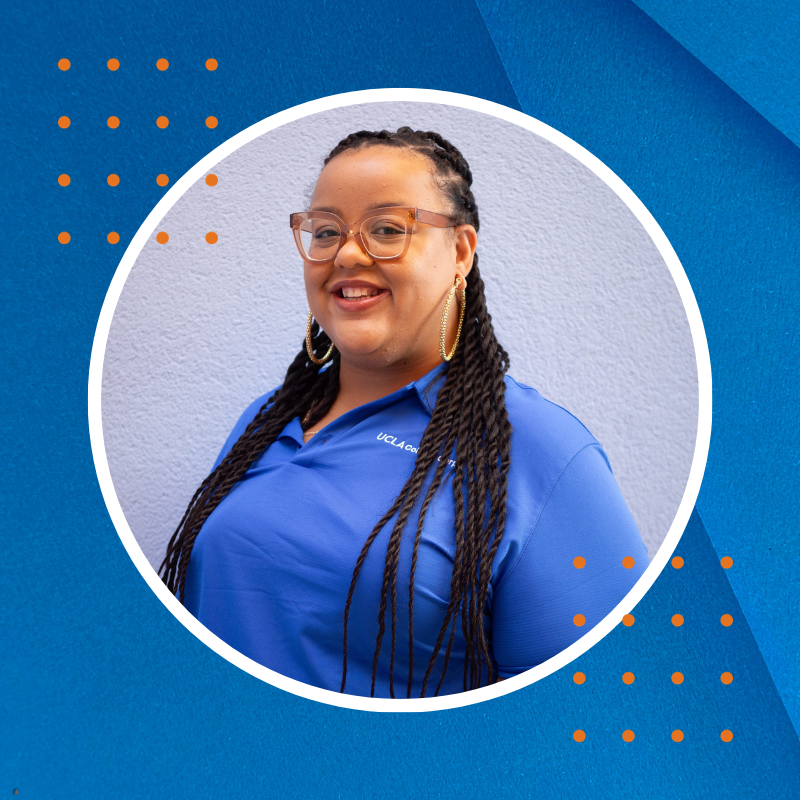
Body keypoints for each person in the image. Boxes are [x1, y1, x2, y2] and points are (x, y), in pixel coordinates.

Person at [159, 127, 648, 700]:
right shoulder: (263, 421)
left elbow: (593, 711)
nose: (345, 253)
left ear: (460, 251)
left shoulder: (545, 454)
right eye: (325, 231)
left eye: (388, 230)